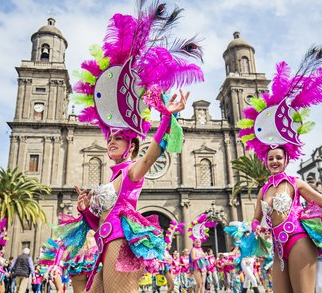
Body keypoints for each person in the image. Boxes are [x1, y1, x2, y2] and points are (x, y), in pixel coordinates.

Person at [71, 1, 203, 292]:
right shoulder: (114, 177)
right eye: (110, 137)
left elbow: (155, 151)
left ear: (131, 146)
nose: (111, 140)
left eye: (118, 138)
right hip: (106, 245)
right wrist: (86, 211)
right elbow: (100, 224)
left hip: (120, 245)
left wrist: (167, 116)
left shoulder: (132, 171)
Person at [236, 44, 322, 293]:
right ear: (265, 160)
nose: (274, 161)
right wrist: (255, 229)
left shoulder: (296, 183)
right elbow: (255, 219)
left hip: (298, 241)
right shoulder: (263, 190)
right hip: (277, 248)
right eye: (270, 158)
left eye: (278, 158)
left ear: (286, 159)